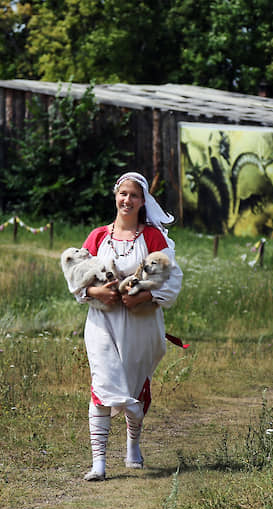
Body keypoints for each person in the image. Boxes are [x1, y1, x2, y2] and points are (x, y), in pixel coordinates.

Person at [66, 172, 183, 482]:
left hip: (140, 326)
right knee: (102, 386)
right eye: (123, 194)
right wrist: (95, 293)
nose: (127, 200)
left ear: (143, 201)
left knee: (133, 390)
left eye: (133, 195)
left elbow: (173, 279)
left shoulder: (153, 239)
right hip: (102, 322)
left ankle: (133, 445)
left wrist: (144, 296)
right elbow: (77, 276)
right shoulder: (98, 236)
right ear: (115, 197)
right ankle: (99, 464)